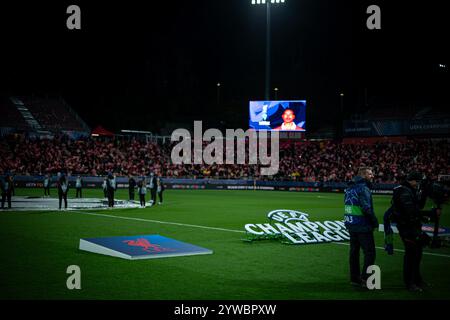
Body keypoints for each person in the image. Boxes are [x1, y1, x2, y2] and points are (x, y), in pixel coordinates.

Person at [391, 171, 438, 292]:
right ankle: (410, 283)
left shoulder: (407, 190)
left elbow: (417, 207)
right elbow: (410, 211)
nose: (418, 184)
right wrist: (430, 214)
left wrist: (424, 194)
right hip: (407, 228)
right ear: (411, 180)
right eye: (417, 181)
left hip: (412, 226)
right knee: (411, 255)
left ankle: (417, 279)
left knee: (417, 254)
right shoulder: (404, 191)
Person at [344, 167, 378, 288]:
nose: (372, 176)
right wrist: (374, 222)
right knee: (370, 253)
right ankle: (365, 279)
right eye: (370, 173)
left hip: (351, 224)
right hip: (363, 225)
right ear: (363, 175)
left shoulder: (349, 187)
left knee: (354, 252)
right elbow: (366, 208)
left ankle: (355, 278)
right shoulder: (363, 188)